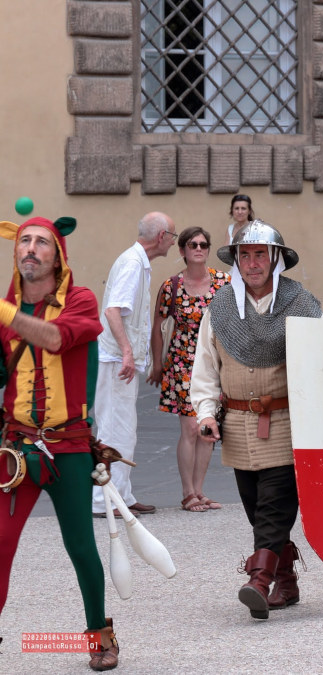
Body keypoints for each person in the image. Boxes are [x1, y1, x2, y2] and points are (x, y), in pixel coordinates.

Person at [0, 216, 120, 670]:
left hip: (67, 447)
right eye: (24, 241)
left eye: (41, 243)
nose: (30, 248)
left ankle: (100, 636)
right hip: (15, 449)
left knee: (81, 547)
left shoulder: (82, 301)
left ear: (58, 256)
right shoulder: (7, 308)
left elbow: (54, 339)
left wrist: (6, 313)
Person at [192, 220, 323, 620]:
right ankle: (287, 582)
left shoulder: (301, 304)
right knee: (257, 508)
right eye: (245, 255)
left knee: (274, 505)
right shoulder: (219, 309)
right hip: (237, 424)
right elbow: (204, 369)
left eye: (259, 255)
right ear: (236, 261)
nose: (252, 263)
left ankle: (258, 581)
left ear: (275, 259)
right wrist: (205, 413)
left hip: (286, 422)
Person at [91, 212, 178, 517]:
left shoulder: (137, 262)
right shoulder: (132, 263)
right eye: (174, 236)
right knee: (114, 430)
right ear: (161, 237)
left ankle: (122, 496)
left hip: (120, 360)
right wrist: (128, 352)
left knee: (125, 430)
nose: (173, 242)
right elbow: (114, 311)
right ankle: (103, 501)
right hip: (116, 361)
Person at [149, 226, 231, 513]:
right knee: (190, 428)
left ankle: (199, 489)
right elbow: (158, 328)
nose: (199, 248)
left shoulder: (224, 282)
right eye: (192, 244)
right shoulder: (171, 286)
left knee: (207, 425)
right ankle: (187, 493)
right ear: (182, 250)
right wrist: (157, 363)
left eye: (203, 244)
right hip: (181, 363)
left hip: (213, 363)